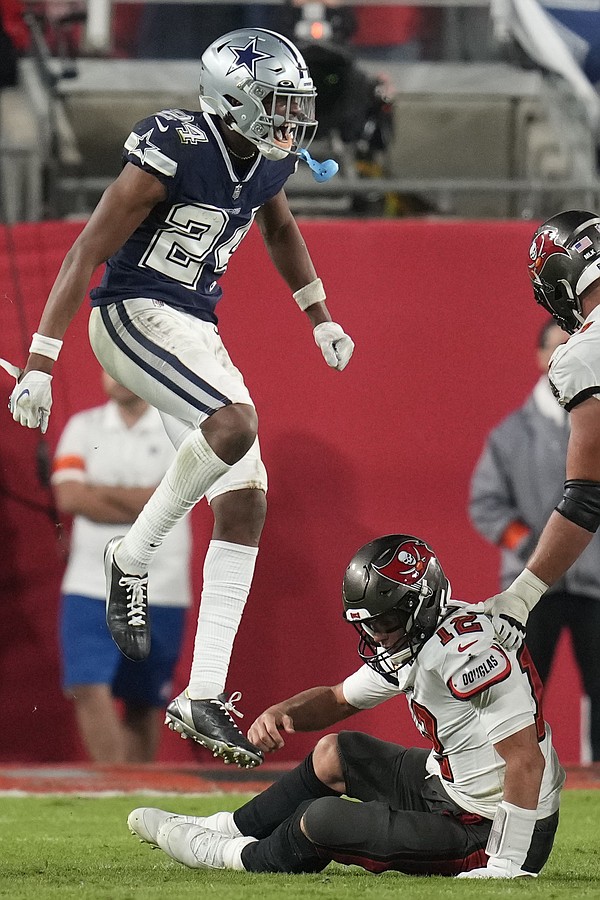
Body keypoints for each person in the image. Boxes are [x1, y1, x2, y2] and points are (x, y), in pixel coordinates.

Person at [5, 27, 354, 769]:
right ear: (234, 98)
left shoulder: (266, 159)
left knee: (246, 497)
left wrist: (318, 316)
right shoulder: (175, 146)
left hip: (194, 325)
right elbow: (88, 248)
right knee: (233, 425)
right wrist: (42, 358)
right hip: (129, 313)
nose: (291, 121)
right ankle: (130, 556)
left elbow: (282, 229)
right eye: (278, 103)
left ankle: (201, 693)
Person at [127, 533, 564, 879]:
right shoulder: (420, 637)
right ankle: (231, 826)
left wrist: (507, 863)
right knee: (337, 752)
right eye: (369, 624)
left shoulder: (469, 652)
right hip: (452, 790)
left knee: (319, 820)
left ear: (421, 602)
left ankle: (233, 855)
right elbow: (339, 698)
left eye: (386, 622)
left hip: (494, 826)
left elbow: (525, 760)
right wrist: (284, 712)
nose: (378, 636)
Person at [469, 317, 600, 762]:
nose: (566, 351)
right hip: (531, 585)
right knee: (520, 690)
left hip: (594, 583)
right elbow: (486, 504)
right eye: (558, 344)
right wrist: (529, 546)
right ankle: (516, 775)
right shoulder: (509, 436)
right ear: (542, 357)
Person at [52, 371, 192, 764]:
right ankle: (114, 787)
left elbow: (179, 496)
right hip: (90, 582)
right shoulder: (83, 426)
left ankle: (134, 791)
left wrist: (98, 493)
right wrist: (146, 503)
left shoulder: (177, 428)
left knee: (143, 699)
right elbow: (69, 494)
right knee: (86, 684)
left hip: (160, 583)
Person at [482, 210, 600, 653]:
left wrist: (523, 591)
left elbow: (587, 498)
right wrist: (518, 538)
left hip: (574, 568)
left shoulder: (584, 353)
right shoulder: (512, 433)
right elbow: (487, 503)